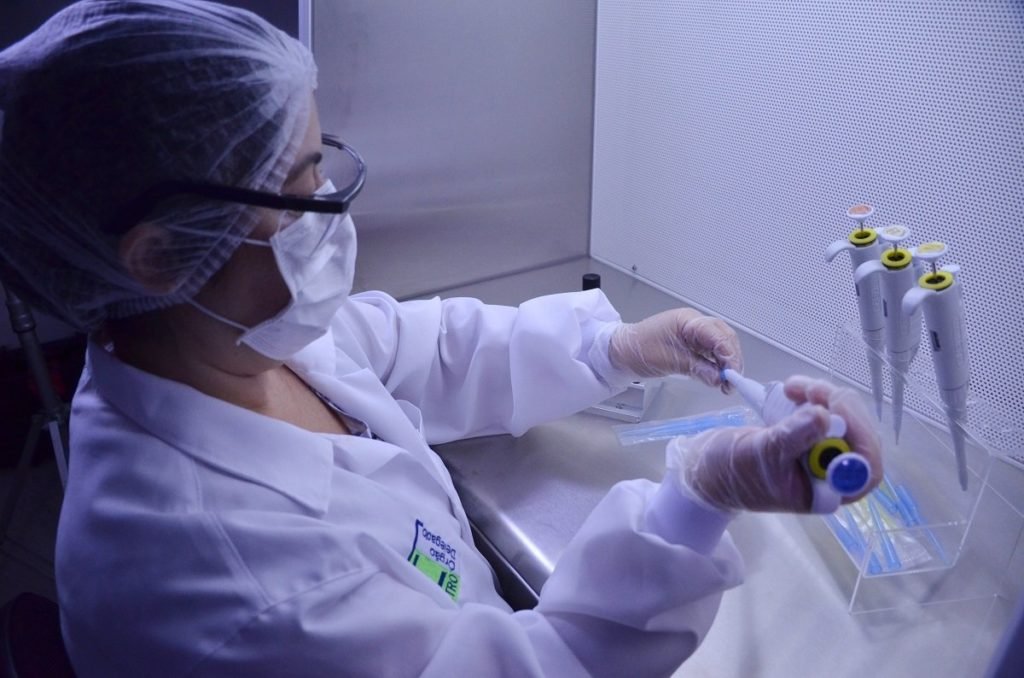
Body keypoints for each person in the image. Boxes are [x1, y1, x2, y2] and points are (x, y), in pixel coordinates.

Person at [0, 2, 882, 676]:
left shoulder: (215, 341)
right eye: (301, 194)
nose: (333, 213)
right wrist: (698, 496)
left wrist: (619, 349)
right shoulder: (231, 591)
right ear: (159, 256)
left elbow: (420, 349)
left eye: (323, 162)